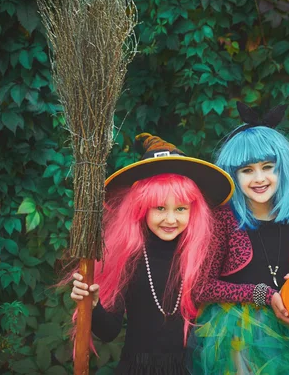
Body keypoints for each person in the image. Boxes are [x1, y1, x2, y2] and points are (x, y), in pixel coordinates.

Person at [187, 102, 289, 374]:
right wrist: (262, 294)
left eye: (268, 167)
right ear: (234, 175)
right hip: (234, 332)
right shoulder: (224, 219)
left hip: (283, 332)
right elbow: (201, 287)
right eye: (247, 170)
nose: (259, 178)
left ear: (283, 169)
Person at [69, 133, 234, 374]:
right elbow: (109, 331)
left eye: (180, 208)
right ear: (141, 207)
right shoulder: (130, 257)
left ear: (193, 210)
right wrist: (93, 304)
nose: (170, 219)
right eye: (159, 208)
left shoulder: (199, 256)